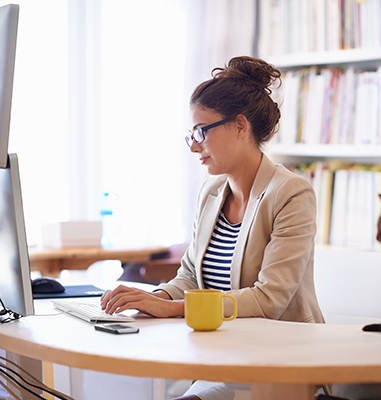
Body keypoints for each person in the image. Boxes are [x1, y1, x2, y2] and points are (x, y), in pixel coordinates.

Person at [101, 56, 325, 400]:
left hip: (282, 370)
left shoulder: (291, 193)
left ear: (240, 126)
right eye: (191, 133)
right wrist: (153, 298)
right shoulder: (211, 192)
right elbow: (190, 275)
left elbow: (269, 300)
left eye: (202, 131)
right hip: (224, 360)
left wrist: (173, 308)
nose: (193, 145)